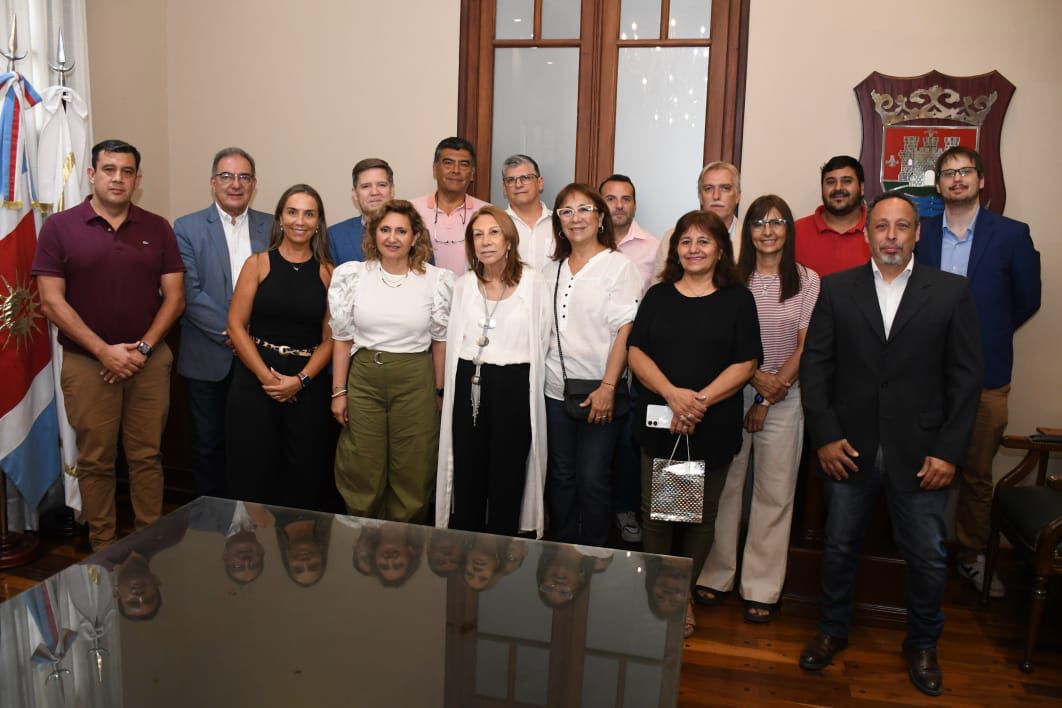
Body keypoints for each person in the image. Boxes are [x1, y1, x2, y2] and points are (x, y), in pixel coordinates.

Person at [798, 192, 982, 697]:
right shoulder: (837, 289)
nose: (892, 236)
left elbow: (966, 380)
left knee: (927, 557)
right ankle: (832, 630)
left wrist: (948, 451)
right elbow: (816, 368)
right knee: (838, 547)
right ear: (867, 234)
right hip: (848, 448)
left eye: (902, 226)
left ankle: (922, 644)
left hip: (923, 454)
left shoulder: (951, 292)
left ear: (917, 234)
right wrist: (826, 436)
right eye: (882, 226)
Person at [33, 139, 186, 551]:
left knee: (147, 456)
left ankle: (150, 542)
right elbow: (51, 301)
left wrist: (143, 350)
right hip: (88, 364)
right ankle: (103, 547)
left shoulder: (157, 227)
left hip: (148, 362)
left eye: (127, 172)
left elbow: (174, 298)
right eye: (109, 169)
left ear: (137, 179)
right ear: (91, 174)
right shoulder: (59, 227)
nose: (118, 178)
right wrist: (104, 351)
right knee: (96, 459)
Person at [916, 146, 1041, 598]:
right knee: (922, 468)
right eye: (948, 173)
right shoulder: (921, 233)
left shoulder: (1012, 235)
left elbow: (1028, 299)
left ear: (981, 180)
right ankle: (922, 553)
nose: (957, 179)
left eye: (965, 171)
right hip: (926, 377)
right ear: (938, 185)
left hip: (987, 376)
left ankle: (971, 556)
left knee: (976, 474)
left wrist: (983, 335)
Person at [628, 209, 761, 637]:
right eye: (686, 241)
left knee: (698, 518)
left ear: (721, 250)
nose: (694, 249)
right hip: (661, 421)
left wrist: (696, 403)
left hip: (711, 424)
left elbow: (746, 362)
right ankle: (656, 596)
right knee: (657, 516)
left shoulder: (737, 299)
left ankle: (680, 594)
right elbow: (636, 353)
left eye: (704, 241)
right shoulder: (659, 296)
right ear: (675, 250)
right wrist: (673, 395)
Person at [695, 195, 820, 621]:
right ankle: (716, 574)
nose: (768, 231)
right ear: (746, 231)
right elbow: (723, 342)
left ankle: (762, 587)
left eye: (777, 222)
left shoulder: (807, 280)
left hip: (785, 394)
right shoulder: (731, 278)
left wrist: (768, 394)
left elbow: (806, 346)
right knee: (725, 488)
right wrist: (754, 381)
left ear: (789, 229)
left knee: (774, 492)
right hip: (732, 391)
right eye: (759, 223)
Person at [329, 200, 454, 522]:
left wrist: (439, 392)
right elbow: (342, 339)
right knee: (362, 461)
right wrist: (339, 392)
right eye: (385, 230)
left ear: (415, 237)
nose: (392, 238)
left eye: (401, 231)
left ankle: (404, 539)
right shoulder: (352, 276)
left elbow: (440, 342)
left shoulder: (436, 280)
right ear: (374, 234)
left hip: (416, 380)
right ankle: (362, 535)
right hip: (364, 379)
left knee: (413, 463)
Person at [436, 206, 550, 537]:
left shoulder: (533, 282)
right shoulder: (464, 285)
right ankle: (465, 544)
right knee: (468, 467)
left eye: (494, 233)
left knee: (508, 470)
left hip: (514, 384)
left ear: (509, 240)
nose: (486, 241)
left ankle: (503, 547)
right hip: (469, 380)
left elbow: (542, 340)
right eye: (478, 235)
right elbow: (453, 341)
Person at [225, 184, 336, 510]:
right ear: (280, 219)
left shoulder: (328, 273)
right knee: (253, 470)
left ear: (318, 222)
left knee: (303, 472)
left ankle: (297, 543)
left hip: (307, 386)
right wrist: (268, 379)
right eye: (292, 212)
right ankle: (254, 540)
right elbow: (236, 326)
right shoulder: (258, 264)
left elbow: (331, 338)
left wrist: (300, 380)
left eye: (309, 214)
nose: (300, 221)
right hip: (254, 381)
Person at [544, 184, 643, 547]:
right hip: (555, 391)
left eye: (584, 209)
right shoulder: (550, 269)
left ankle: (595, 556)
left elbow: (625, 331)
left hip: (601, 392)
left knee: (592, 478)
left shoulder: (619, 267)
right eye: (566, 211)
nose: (575, 218)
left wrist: (608, 387)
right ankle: (563, 552)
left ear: (600, 217)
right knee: (560, 476)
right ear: (558, 221)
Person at [174, 147, 272, 499]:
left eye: (244, 177)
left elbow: (277, 290)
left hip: (260, 357)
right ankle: (212, 520)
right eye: (227, 176)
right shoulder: (186, 227)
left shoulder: (272, 226)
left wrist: (249, 339)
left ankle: (252, 518)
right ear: (213, 182)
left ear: (254, 184)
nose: (236, 184)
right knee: (208, 446)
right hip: (207, 357)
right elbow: (190, 293)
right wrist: (234, 333)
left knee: (255, 444)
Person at [599, 173, 659, 544]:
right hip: (591, 358)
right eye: (611, 198)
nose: (619, 205)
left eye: (626, 198)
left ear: (634, 204)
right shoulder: (587, 244)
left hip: (638, 358)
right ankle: (593, 513)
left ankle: (625, 509)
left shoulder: (654, 247)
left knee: (628, 442)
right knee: (595, 442)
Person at [652, 161, 742, 282]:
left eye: (725, 188)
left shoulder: (751, 239)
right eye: (708, 188)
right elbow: (658, 286)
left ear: (737, 196)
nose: (716, 196)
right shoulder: (672, 237)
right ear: (700, 196)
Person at [411, 137, 490, 274]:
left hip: (472, 287)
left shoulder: (488, 213)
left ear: (472, 173)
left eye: (463, 165)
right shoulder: (411, 210)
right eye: (448, 163)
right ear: (435, 169)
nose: (456, 170)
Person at [794, 155, 869, 277]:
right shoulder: (796, 231)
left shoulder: (879, 230)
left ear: (862, 188)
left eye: (846, 181)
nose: (838, 188)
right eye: (830, 182)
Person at [328, 157, 396, 265]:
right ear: (355, 194)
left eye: (381, 185)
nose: (374, 192)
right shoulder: (334, 236)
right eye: (366, 186)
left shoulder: (414, 231)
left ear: (392, 190)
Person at [502, 154, 554, 271]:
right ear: (504, 188)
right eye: (511, 180)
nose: (518, 185)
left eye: (525, 178)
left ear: (540, 183)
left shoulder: (560, 223)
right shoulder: (496, 225)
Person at [274, 509, 332, 587]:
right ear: (321, 552)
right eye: (313, 566)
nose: (305, 562)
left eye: (298, 568)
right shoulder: (329, 512)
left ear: (286, 558)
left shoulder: (266, 516)